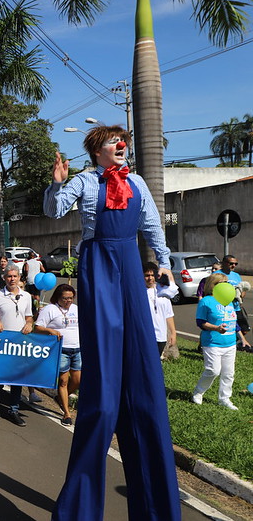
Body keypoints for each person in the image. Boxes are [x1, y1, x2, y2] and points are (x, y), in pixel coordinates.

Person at [44, 124, 180, 520]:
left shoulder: (137, 182)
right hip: (98, 266)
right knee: (103, 385)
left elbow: (152, 226)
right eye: (113, 144)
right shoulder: (86, 182)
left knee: (142, 369)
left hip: (129, 265)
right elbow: (54, 211)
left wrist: (165, 263)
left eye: (123, 143)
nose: (122, 147)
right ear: (97, 151)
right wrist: (57, 184)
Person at [192, 273, 250, 410]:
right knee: (213, 370)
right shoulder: (206, 301)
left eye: (226, 283)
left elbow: (234, 323)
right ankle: (198, 392)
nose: (224, 286)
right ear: (212, 285)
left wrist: (242, 339)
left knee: (229, 373)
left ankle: (224, 398)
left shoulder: (230, 300)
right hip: (212, 343)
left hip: (230, 344)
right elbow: (200, 322)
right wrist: (216, 328)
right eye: (220, 283)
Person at [0, 265, 33, 427]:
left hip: (20, 344)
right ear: (4, 278)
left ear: (19, 278)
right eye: (9, 276)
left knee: (17, 379)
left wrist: (29, 324)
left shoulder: (26, 296)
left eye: (15, 276)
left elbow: (29, 317)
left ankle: (13, 409)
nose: (12, 279)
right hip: (2, 344)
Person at [35, 284, 79, 426]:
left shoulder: (75, 309)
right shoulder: (50, 309)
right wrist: (50, 331)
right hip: (61, 349)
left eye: (71, 298)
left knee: (77, 380)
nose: (68, 301)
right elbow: (38, 327)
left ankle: (60, 398)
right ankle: (66, 413)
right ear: (58, 298)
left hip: (77, 349)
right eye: (65, 298)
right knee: (63, 381)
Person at [143, 262, 177, 358]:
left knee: (156, 362)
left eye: (152, 275)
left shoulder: (163, 291)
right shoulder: (138, 292)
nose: (150, 278)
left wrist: (173, 333)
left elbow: (168, 315)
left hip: (160, 336)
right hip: (144, 335)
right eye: (147, 275)